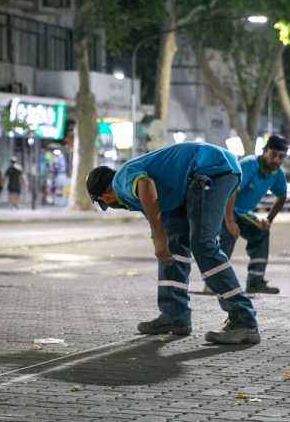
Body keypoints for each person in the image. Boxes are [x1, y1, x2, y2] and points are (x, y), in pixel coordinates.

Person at [85, 142, 260, 345]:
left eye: (105, 203)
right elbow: (156, 214)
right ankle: (175, 316)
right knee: (172, 247)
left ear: (104, 197)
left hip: (209, 170)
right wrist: (160, 240)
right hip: (203, 174)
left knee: (203, 245)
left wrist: (159, 237)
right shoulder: (144, 193)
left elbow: (145, 185)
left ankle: (244, 321)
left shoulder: (121, 180)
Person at [217, 135, 289, 295]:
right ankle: (215, 284)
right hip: (224, 208)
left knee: (261, 231)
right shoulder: (249, 165)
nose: (276, 160)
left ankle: (255, 282)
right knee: (229, 235)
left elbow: (282, 196)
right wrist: (229, 221)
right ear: (264, 151)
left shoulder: (276, 173)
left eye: (281, 157)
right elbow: (231, 191)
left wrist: (268, 220)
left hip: (242, 213)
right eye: (273, 154)